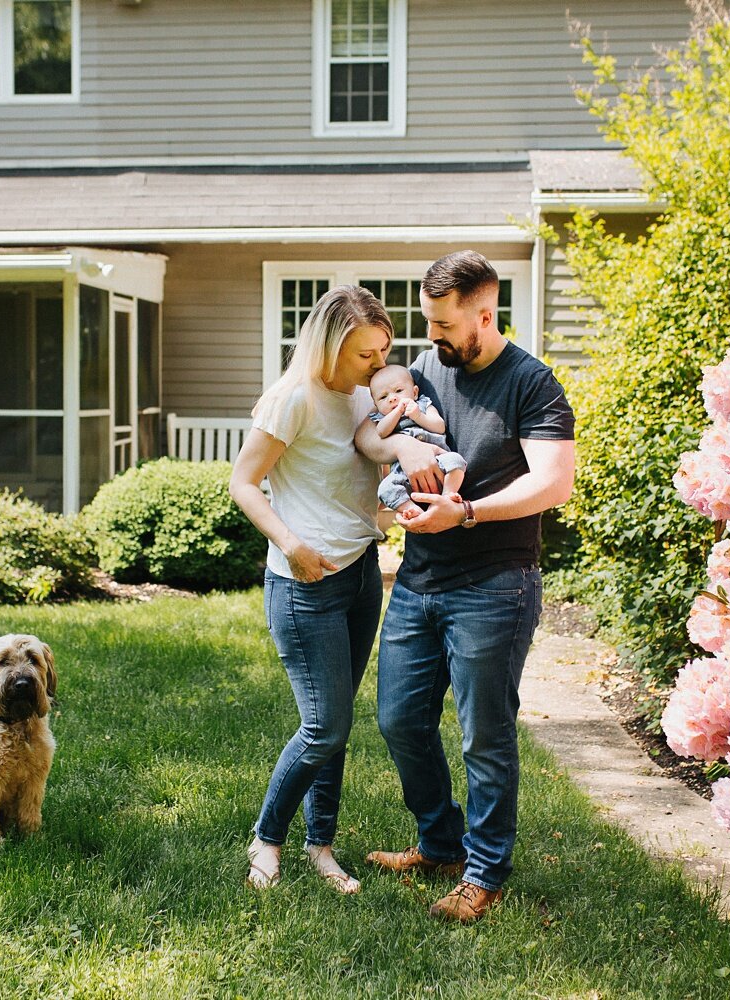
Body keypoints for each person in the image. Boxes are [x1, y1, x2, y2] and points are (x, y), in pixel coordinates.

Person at [355, 250, 576, 922]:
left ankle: (483, 872)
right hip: (420, 581)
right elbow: (369, 434)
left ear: (486, 314)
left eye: (445, 325)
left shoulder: (532, 384)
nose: (433, 338)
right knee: (398, 719)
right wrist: (402, 449)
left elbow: (553, 483)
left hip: (495, 585)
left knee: (484, 734)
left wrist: (469, 510)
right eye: (428, 322)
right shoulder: (425, 370)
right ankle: (440, 844)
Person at [228, 284, 393, 894]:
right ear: (329, 346)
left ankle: (320, 846)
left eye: (382, 353)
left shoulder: (360, 399)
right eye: (365, 355)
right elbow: (244, 484)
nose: (377, 367)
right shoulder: (291, 399)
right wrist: (291, 543)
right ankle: (266, 839)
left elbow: (360, 481)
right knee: (323, 726)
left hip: (359, 578)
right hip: (305, 584)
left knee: (338, 722)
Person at [366, 363, 466, 519]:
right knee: (385, 489)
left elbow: (439, 427)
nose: (392, 398)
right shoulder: (383, 418)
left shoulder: (423, 405)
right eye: (383, 397)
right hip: (403, 473)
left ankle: (446, 496)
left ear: (415, 392)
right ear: (376, 405)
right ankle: (411, 509)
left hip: (438, 460)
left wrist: (419, 416)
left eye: (398, 391)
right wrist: (398, 412)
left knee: (456, 461)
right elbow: (381, 432)